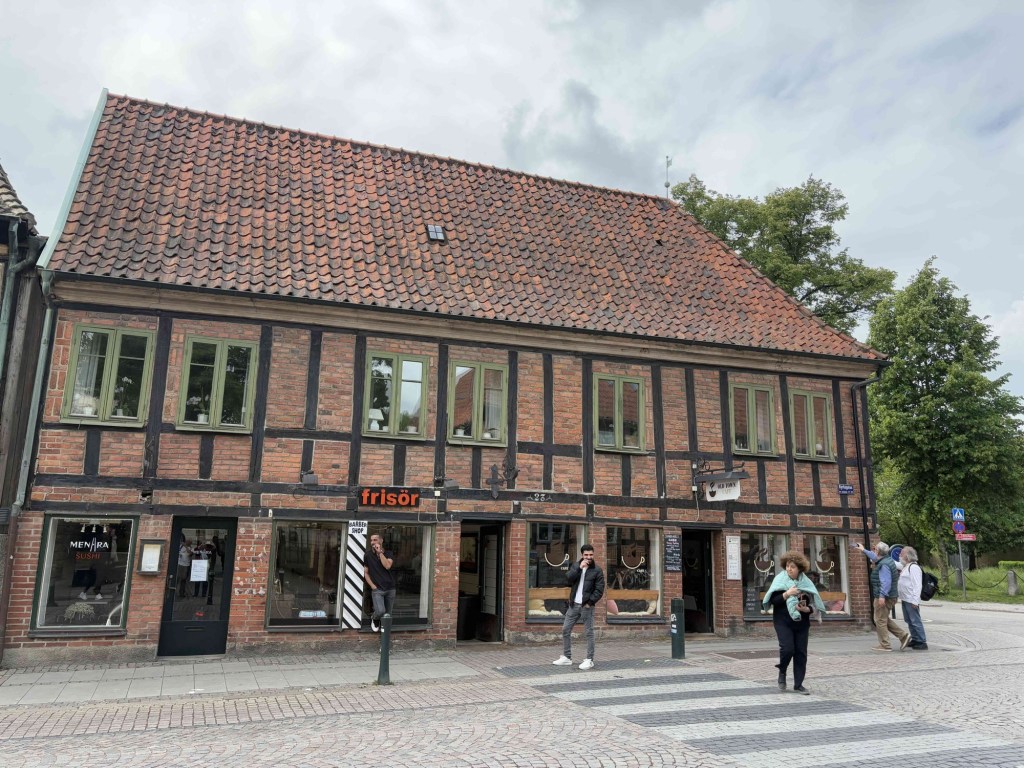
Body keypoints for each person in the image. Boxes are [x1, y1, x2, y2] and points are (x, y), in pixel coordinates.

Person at [762, 551, 824, 694]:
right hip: (783, 620)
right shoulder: (780, 580)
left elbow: (813, 604)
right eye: (787, 566)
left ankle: (798, 684)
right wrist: (787, 594)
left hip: (802, 622)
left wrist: (807, 609)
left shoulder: (807, 583)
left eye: (793, 567)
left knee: (801, 653)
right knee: (788, 649)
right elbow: (773, 601)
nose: (789, 569)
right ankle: (782, 670)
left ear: (800, 569)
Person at [553, 544, 605, 670]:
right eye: (586, 555)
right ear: (582, 555)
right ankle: (567, 657)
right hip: (573, 605)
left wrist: (589, 603)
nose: (589, 557)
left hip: (586, 606)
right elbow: (567, 580)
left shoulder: (597, 570)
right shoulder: (576, 566)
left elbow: (599, 590)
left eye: (591, 555)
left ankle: (589, 660)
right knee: (565, 629)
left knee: (589, 632)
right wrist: (579, 568)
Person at [853, 541, 911, 651]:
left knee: (880, 620)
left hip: (885, 596)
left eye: (875, 549)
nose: (874, 551)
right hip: (890, 595)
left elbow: (886, 582)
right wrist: (863, 550)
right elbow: (875, 557)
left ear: (878, 551)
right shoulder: (886, 559)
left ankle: (885, 645)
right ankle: (903, 636)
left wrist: (882, 596)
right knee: (883, 618)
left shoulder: (884, 565)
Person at [898, 546, 928, 650]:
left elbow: (917, 585)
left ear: (907, 556)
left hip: (911, 599)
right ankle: (915, 639)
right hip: (905, 598)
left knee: (915, 620)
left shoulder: (914, 568)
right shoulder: (906, 566)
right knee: (909, 620)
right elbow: (895, 564)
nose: (900, 555)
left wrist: (915, 600)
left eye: (901, 554)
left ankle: (921, 641)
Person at [363, 533, 395, 632]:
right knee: (380, 611)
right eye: (371, 540)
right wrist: (372, 586)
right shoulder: (368, 555)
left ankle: (384, 632)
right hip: (377, 589)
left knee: (387, 614)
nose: (372, 542)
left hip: (390, 588)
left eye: (375, 540)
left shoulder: (388, 553)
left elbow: (387, 566)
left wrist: (380, 553)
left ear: (381, 541)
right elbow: (366, 572)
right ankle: (374, 618)